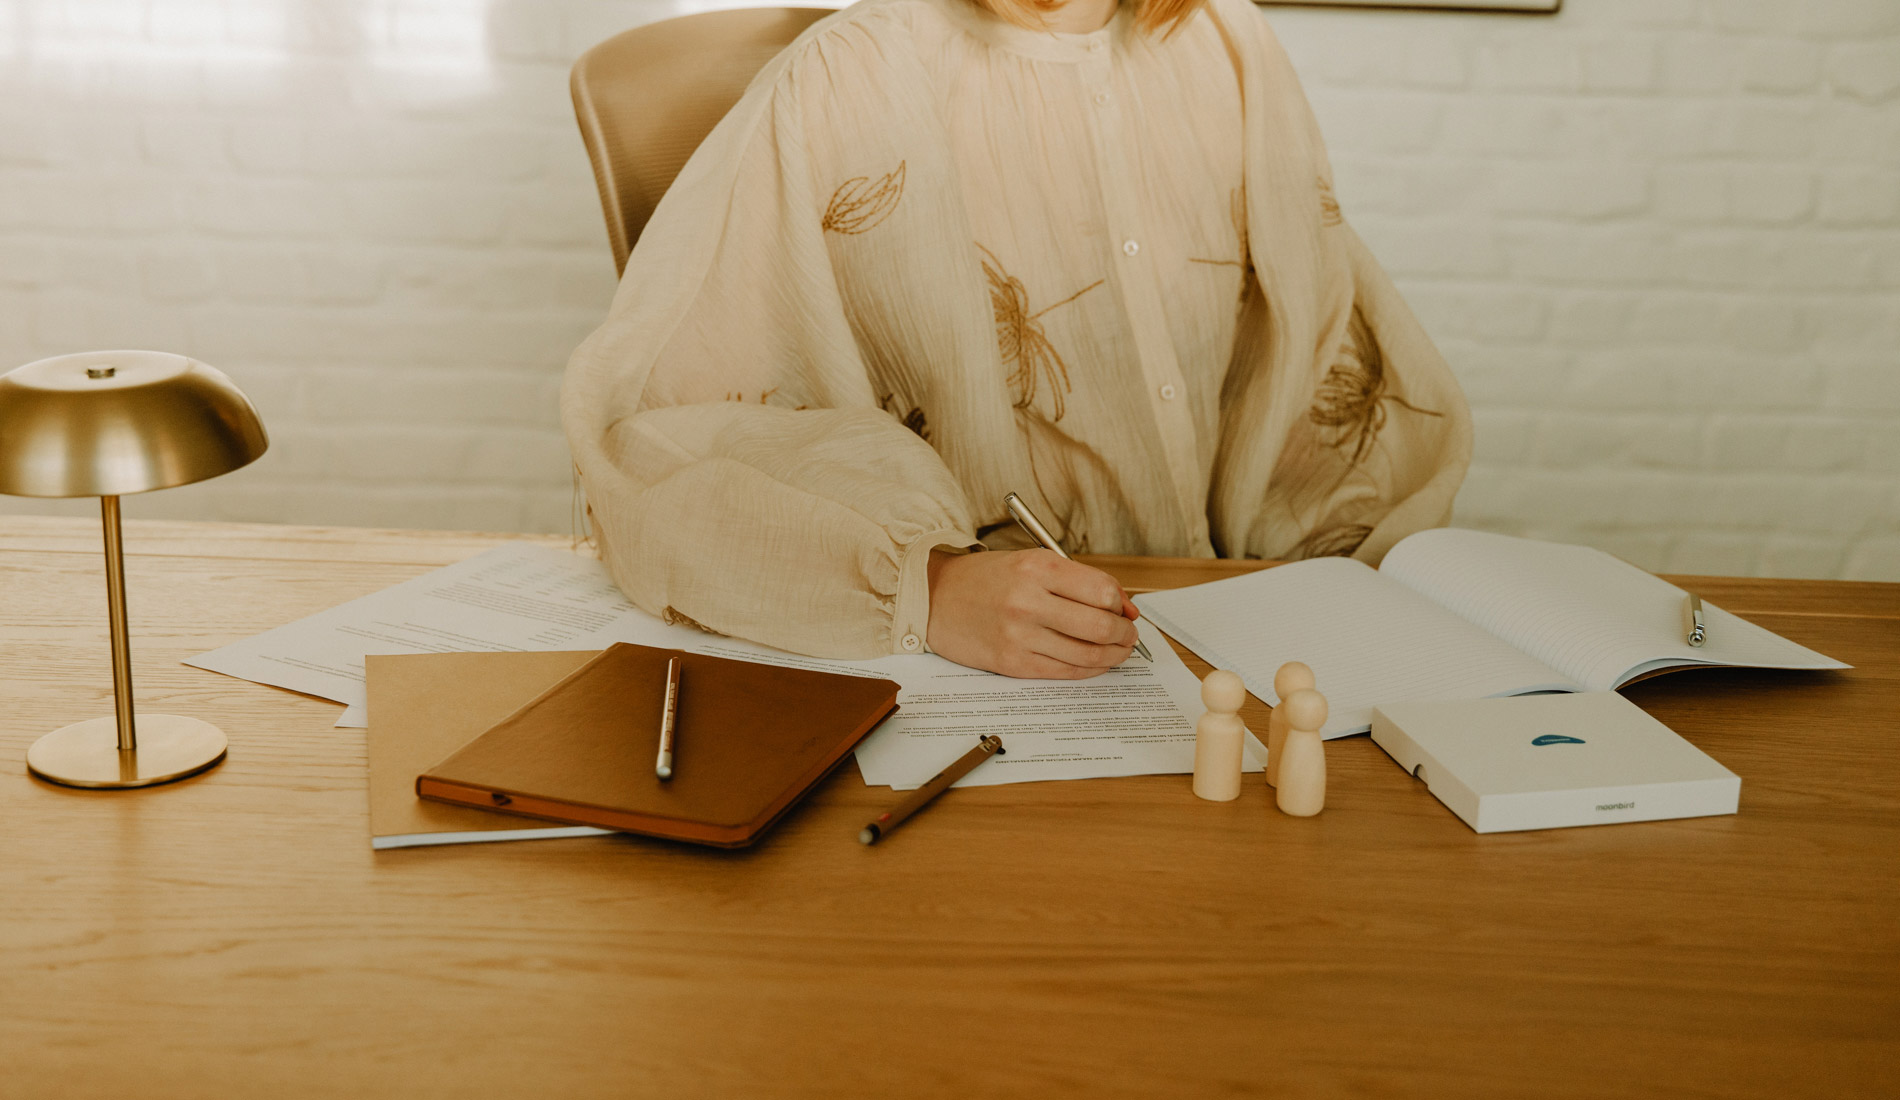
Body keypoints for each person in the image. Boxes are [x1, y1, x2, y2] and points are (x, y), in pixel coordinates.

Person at [563, 0, 1472, 679]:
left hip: (1222, 643)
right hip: (971, 676)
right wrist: (930, 585)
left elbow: (1317, 355)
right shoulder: (847, 75)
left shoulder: (1227, 44)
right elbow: (651, 441)